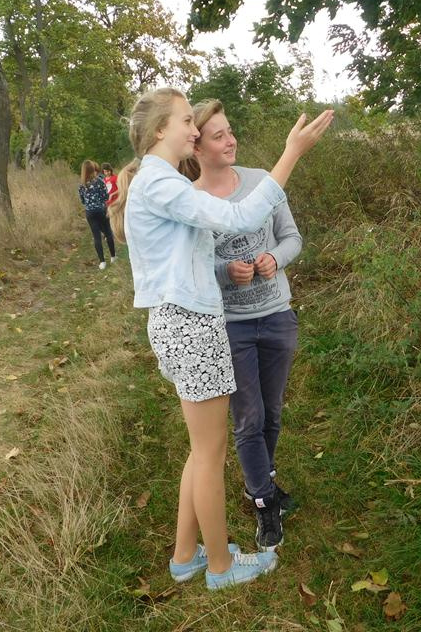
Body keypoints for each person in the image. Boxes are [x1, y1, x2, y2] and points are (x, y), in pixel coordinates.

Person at [108, 87, 332, 590]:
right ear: (160, 130)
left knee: (199, 450)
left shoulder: (161, 181)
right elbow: (240, 218)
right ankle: (220, 567)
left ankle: (185, 556)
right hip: (190, 326)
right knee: (209, 454)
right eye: (186, 121)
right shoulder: (160, 183)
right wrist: (292, 153)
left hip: (184, 323)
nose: (194, 128)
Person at [186, 99, 302, 552]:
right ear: (197, 147)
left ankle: (262, 480)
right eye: (219, 136)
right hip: (231, 326)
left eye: (230, 131)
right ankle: (263, 501)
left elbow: (292, 237)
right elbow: (192, 265)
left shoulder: (261, 182)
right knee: (248, 418)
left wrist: (275, 258)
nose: (231, 141)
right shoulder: (191, 201)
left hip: (276, 316)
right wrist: (224, 272)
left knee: (272, 413)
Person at [78, 160, 117, 270]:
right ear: (93, 169)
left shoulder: (81, 185)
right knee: (108, 232)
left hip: (89, 212)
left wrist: (89, 204)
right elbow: (106, 196)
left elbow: (82, 200)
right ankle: (113, 256)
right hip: (101, 210)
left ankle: (102, 262)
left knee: (96, 236)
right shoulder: (99, 181)